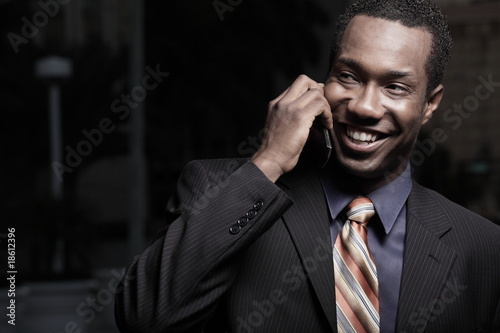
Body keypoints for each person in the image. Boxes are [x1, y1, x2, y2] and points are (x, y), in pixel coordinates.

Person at [114, 0, 500, 332]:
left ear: (430, 104)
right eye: (348, 76)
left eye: (394, 87)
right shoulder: (221, 188)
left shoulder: (482, 247)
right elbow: (145, 319)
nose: (365, 107)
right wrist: (269, 160)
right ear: (323, 80)